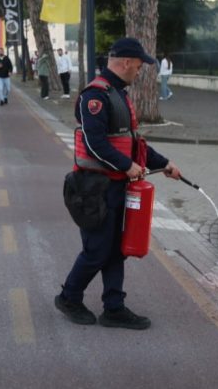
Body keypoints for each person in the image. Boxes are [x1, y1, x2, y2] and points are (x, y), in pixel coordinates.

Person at [55, 37, 182, 330]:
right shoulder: (95, 97)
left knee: (115, 250)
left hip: (113, 187)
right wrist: (127, 166)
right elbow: (96, 143)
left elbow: (132, 144)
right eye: (138, 67)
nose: (139, 72)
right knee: (96, 251)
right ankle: (69, 297)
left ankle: (114, 308)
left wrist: (163, 164)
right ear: (125, 62)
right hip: (93, 189)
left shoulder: (118, 94)